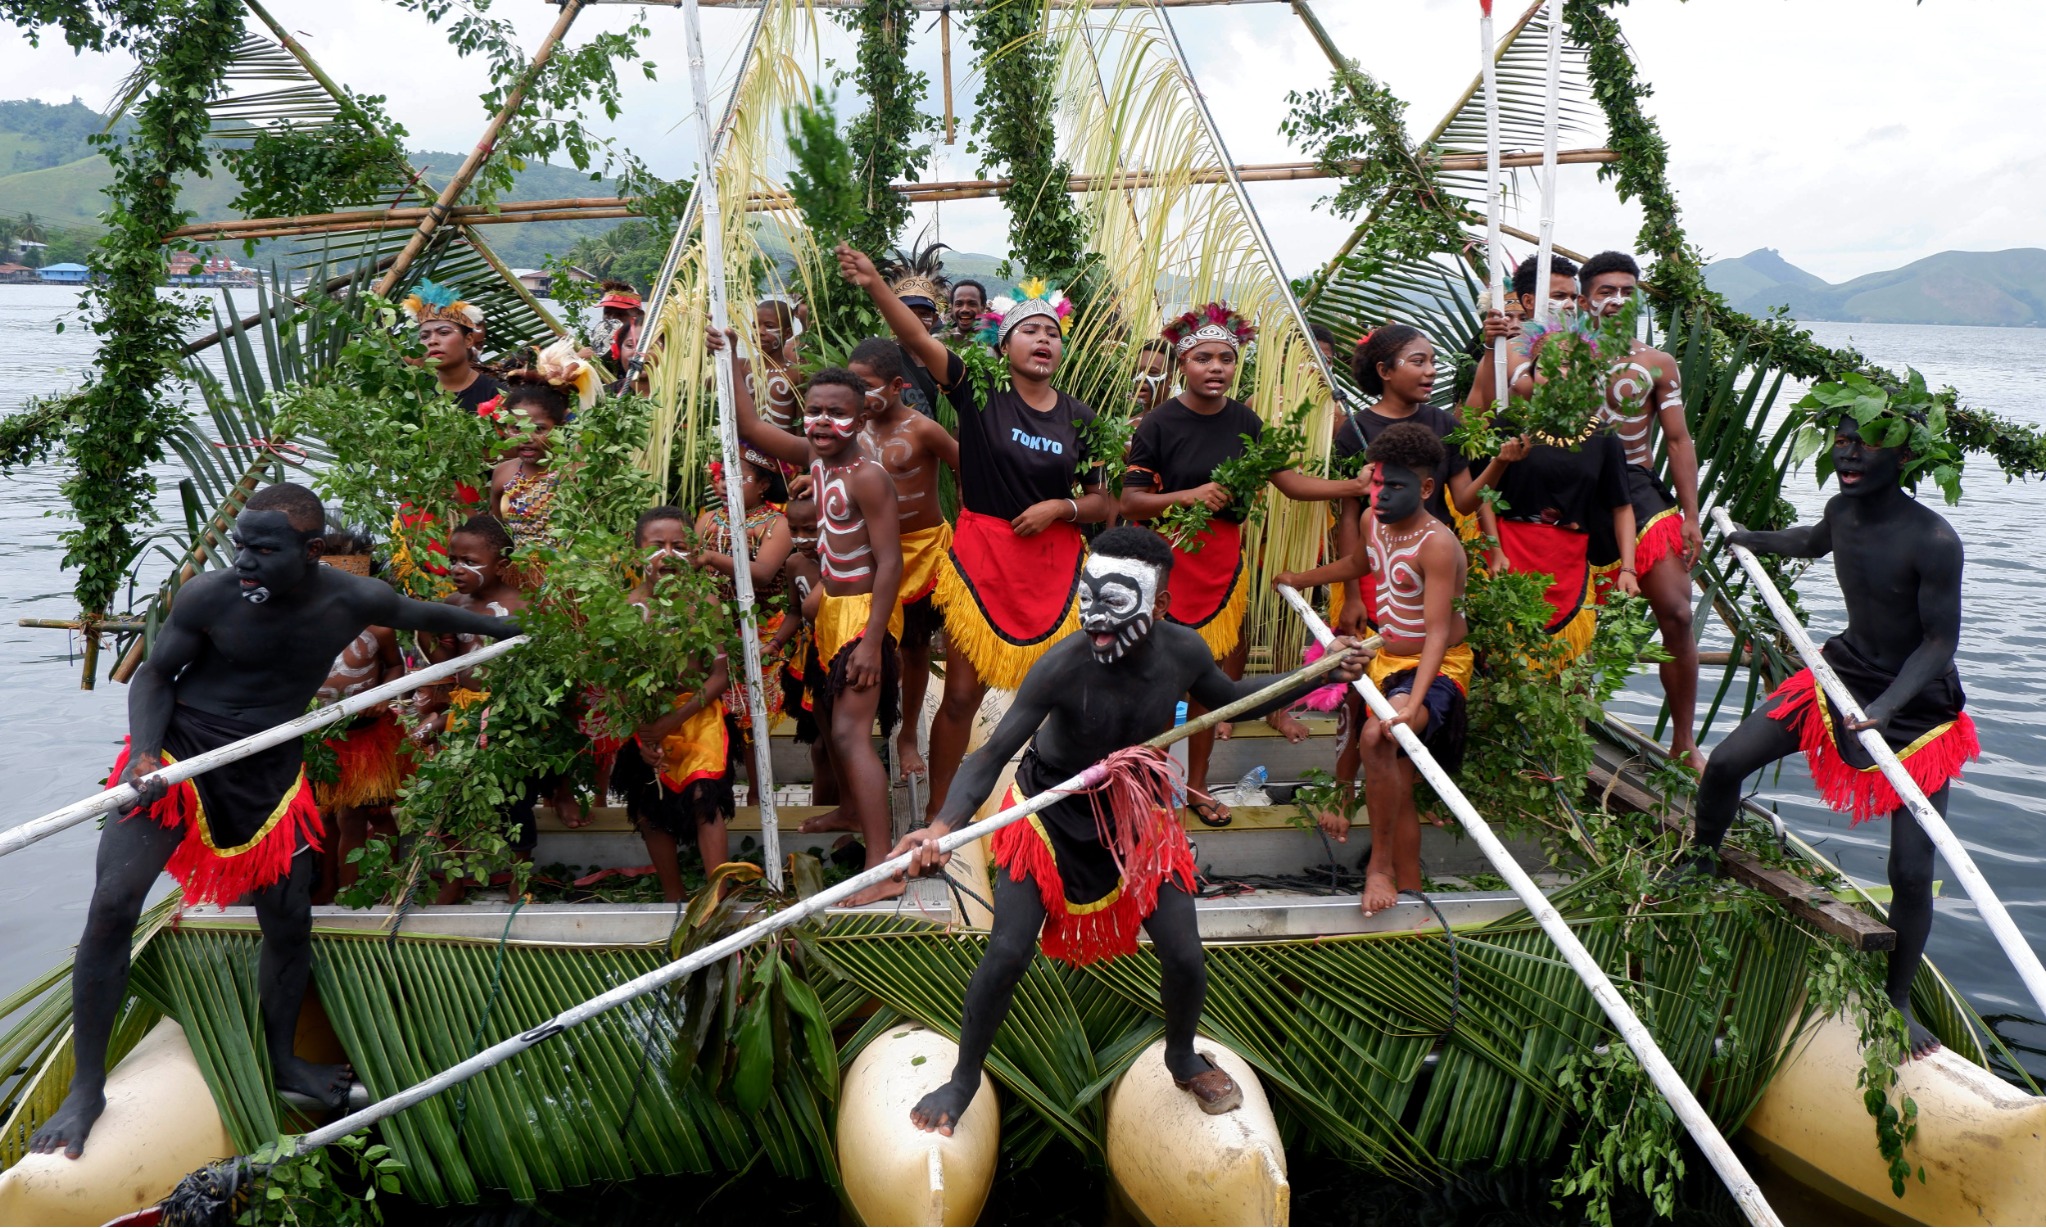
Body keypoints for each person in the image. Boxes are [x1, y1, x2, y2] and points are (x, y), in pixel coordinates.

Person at [31, 483, 516, 1159]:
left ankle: (286, 1063)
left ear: (312, 551)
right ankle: (87, 1090)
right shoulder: (208, 596)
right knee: (112, 905)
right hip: (178, 761)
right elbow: (155, 678)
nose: (246, 562)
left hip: (268, 775)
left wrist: (512, 630)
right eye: (240, 546)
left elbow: (415, 610)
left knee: (288, 918)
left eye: (264, 549)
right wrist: (144, 751)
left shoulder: (353, 599)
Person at [879, 527, 1370, 1134]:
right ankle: (962, 1078)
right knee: (1007, 951)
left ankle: (1183, 1055)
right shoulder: (1060, 665)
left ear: (1161, 605)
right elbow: (990, 755)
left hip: (1137, 816)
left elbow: (1233, 698)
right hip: (1049, 818)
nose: (1096, 621)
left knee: (1186, 954)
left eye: (1116, 605)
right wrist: (941, 825)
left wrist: (1318, 674)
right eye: (1089, 599)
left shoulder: (1183, 652)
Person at [1692, 414, 1975, 1059]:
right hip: (1839, 674)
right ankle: (1701, 859)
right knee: (1728, 761)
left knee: (1910, 870)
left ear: (1903, 456)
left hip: (1916, 707)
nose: (1846, 455)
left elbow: (1940, 642)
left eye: (1862, 444)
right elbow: (1812, 542)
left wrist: (1886, 705)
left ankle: (1895, 1000)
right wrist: (1746, 538)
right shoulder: (1840, 511)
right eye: (1841, 442)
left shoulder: (1934, 539)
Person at [839, 244, 1117, 832]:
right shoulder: (979, 391)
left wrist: (1060, 508)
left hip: (1055, 565)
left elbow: (1102, 501)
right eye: (1031, 330)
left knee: (1066, 698)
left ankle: (1063, 812)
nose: (1044, 340)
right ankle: (941, 817)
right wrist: (874, 286)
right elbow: (917, 340)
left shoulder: (1081, 419)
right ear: (1005, 343)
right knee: (962, 695)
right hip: (983, 558)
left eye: (1053, 333)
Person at [1120, 303, 1363, 822]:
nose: (1215, 368)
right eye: (1203, 357)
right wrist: (1188, 496)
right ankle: (1152, 790)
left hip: (1222, 561)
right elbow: (1130, 502)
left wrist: (1353, 485)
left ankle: (1200, 787)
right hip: (1167, 562)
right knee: (1161, 684)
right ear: (1183, 362)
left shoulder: (1246, 421)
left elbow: (1291, 483)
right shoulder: (1159, 423)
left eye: (1226, 359)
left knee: (1208, 685)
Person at [725, 338, 907, 884]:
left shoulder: (866, 476)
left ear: (861, 416)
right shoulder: (816, 460)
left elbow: (892, 564)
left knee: (852, 735)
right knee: (832, 726)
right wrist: (732, 358)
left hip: (861, 615)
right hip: (830, 610)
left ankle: (882, 868)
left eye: (837, 412)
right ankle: (852, 810)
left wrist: (873, 641)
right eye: (814, 411)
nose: (822, 421)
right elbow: (753, 428)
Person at [1275, 424, 1471, 915]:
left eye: (1395, 486)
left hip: (1438, 664)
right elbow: (1361, 564)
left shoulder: (1437, 545)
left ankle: (1379, 866)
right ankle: (1409, 886)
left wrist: (1412, 703)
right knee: (1395, 778)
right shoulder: (1370, 521)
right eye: (1376, 483)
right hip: (1383, 655)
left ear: (1426, 489)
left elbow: (1438, 635)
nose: (1381, 495)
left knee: (1380, 736)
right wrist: (1301, 578)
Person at [1578, 250, 1705, 768]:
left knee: (1676, 612)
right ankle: (1564, 727)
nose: (1618, 300)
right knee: (1571, 622)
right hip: (1576, 490)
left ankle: (1684, 743)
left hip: (1638, 487)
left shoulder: (1657, 364)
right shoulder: (1560, 356)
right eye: (1607, 291)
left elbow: (1677, 441)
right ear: (1586, 299)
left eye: (1628, 291)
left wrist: (1691, 516)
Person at [848, 337, 961, 782]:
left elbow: (964, 464)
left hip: (923, 552)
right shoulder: (848, 430)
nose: (859, 395)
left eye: (866, 385)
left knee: (914, 649)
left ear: (896, 386)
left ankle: (907, 735)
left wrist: (971, 523)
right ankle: (870, 728)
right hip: (870, 554)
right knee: (871, 645)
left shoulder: (923, 429)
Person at [615, 507, 736, 903]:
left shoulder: (705, 604)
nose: (668, 555)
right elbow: (618, 680)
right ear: (637, 554)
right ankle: (673, 896)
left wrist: (675, 719)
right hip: (646, 720)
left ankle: (717, 895)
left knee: (705, 797)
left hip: (696, 715)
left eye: (679, 547)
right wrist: (643, 731)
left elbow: (718, 678)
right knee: (650, 806)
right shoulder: (629, 609)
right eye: (657, 546)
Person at [307, 535, 408, 903]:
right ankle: (329, 885)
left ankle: (374, 888)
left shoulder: (377, 627)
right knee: (329, 814)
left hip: (366, 737)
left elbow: (396, 666)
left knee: (369, 814)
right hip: (321, 740)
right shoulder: (303, 625)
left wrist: (381, 695)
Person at [692, 443, 792, 788]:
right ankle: (715, 779)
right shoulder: (706, 518)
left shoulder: (777, 522)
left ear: (763, 484)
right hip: (712, 630)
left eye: (737, 477)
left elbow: (763, 573)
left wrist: (709, 558)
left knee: (752, 714)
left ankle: (757, 788)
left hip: (758, 629)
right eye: (721, 476)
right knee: (715, 707)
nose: (724, 484)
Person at [487, 340, 598, 550]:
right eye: (517, 428)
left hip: (569, 577)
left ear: (560, 426)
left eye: (539, 429)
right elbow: (497, 535)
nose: (527, 437)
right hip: (516, 577)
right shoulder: (502, 472)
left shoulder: (573, 470)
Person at [405, 279, 503, 414]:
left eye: (443, 333)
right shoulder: (413, 391)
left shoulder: (497, 396)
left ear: (468, 340)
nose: (432, 341)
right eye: (424, 336)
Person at [754, 299, 803, 432]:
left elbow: (800, 425)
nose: (759, 331)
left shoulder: (796, 374)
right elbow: (706, 384)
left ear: (787, 333)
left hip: (784, 451)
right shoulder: (742, 368)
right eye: (755, 325)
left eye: (769, 326)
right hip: (745, 450)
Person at [1130, 337, 1172, 426]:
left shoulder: (1182, 426)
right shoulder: (1124, 427)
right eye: (1136, 371)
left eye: (1152, 372)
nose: (1140, 378)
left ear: (1171, 378)